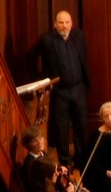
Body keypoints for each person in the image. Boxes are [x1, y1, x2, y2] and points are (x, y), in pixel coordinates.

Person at [36, 10, 90, 165]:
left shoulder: (78, 36)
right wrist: (43, 80)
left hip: (78, 88)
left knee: (82, 126)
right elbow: (32, 57)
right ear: (55, 24)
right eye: (61, 22)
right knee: (61, 128)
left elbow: (83, 59)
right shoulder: (46, 40)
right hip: (60, 91)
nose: (64, 26)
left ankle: (82, 160)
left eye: (67, 22)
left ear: (71, 23)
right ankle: (65, 162)